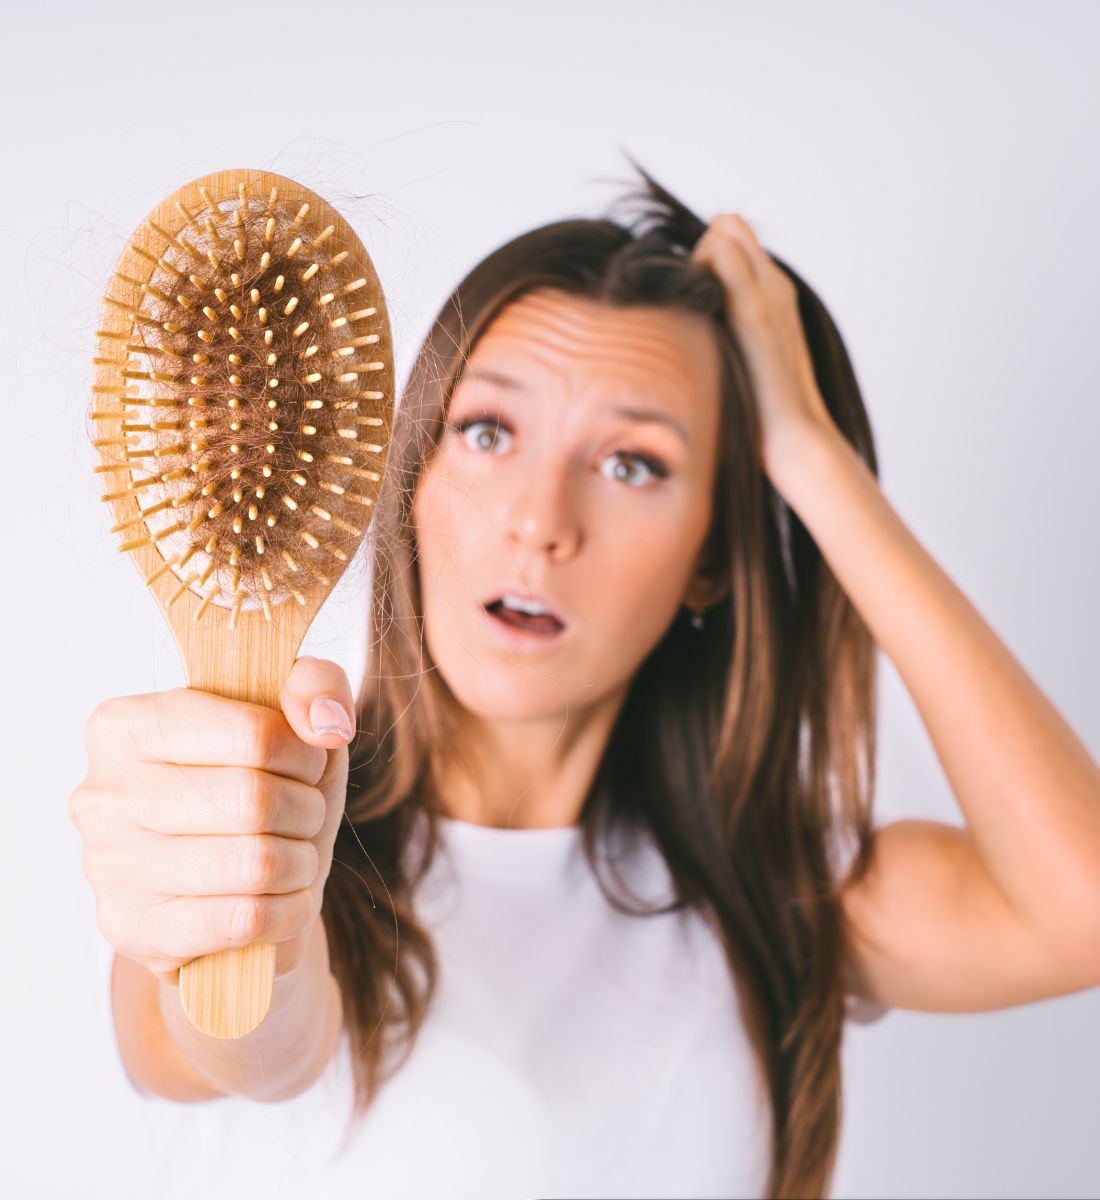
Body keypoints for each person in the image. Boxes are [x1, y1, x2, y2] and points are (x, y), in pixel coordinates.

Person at [69, 162, 1100, 1199]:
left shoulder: (776, 892)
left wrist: (807, 451)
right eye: (486, 433)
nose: (539, 522)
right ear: (409, 480)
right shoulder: (253, 835)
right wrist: (264, 916)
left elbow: (1080, 908)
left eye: (632, 464)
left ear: (708, 555)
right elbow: (247, 1046)